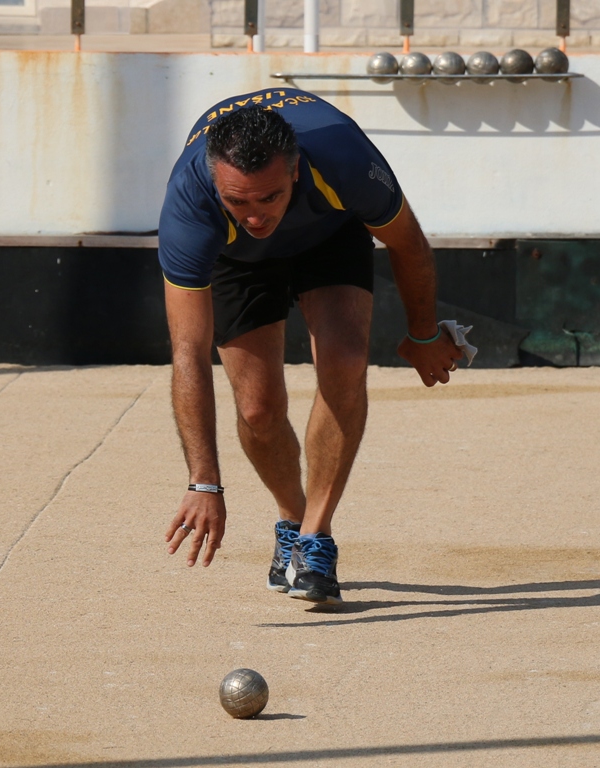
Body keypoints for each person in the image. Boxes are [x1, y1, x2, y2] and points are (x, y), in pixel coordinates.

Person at [158, 87, 462, 606]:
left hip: (328, 235)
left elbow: (408, 242)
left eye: (269, 197)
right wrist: (204, 482)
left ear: (295, 170)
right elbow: (189, 352)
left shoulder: (344, 158)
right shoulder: (190, 202)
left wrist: (424, 334)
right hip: (237, 261)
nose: (256, 216)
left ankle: (316, 537)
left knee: (346, 362)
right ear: (214, 181)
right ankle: (292, 520)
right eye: (238, 200)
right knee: (258, 409)